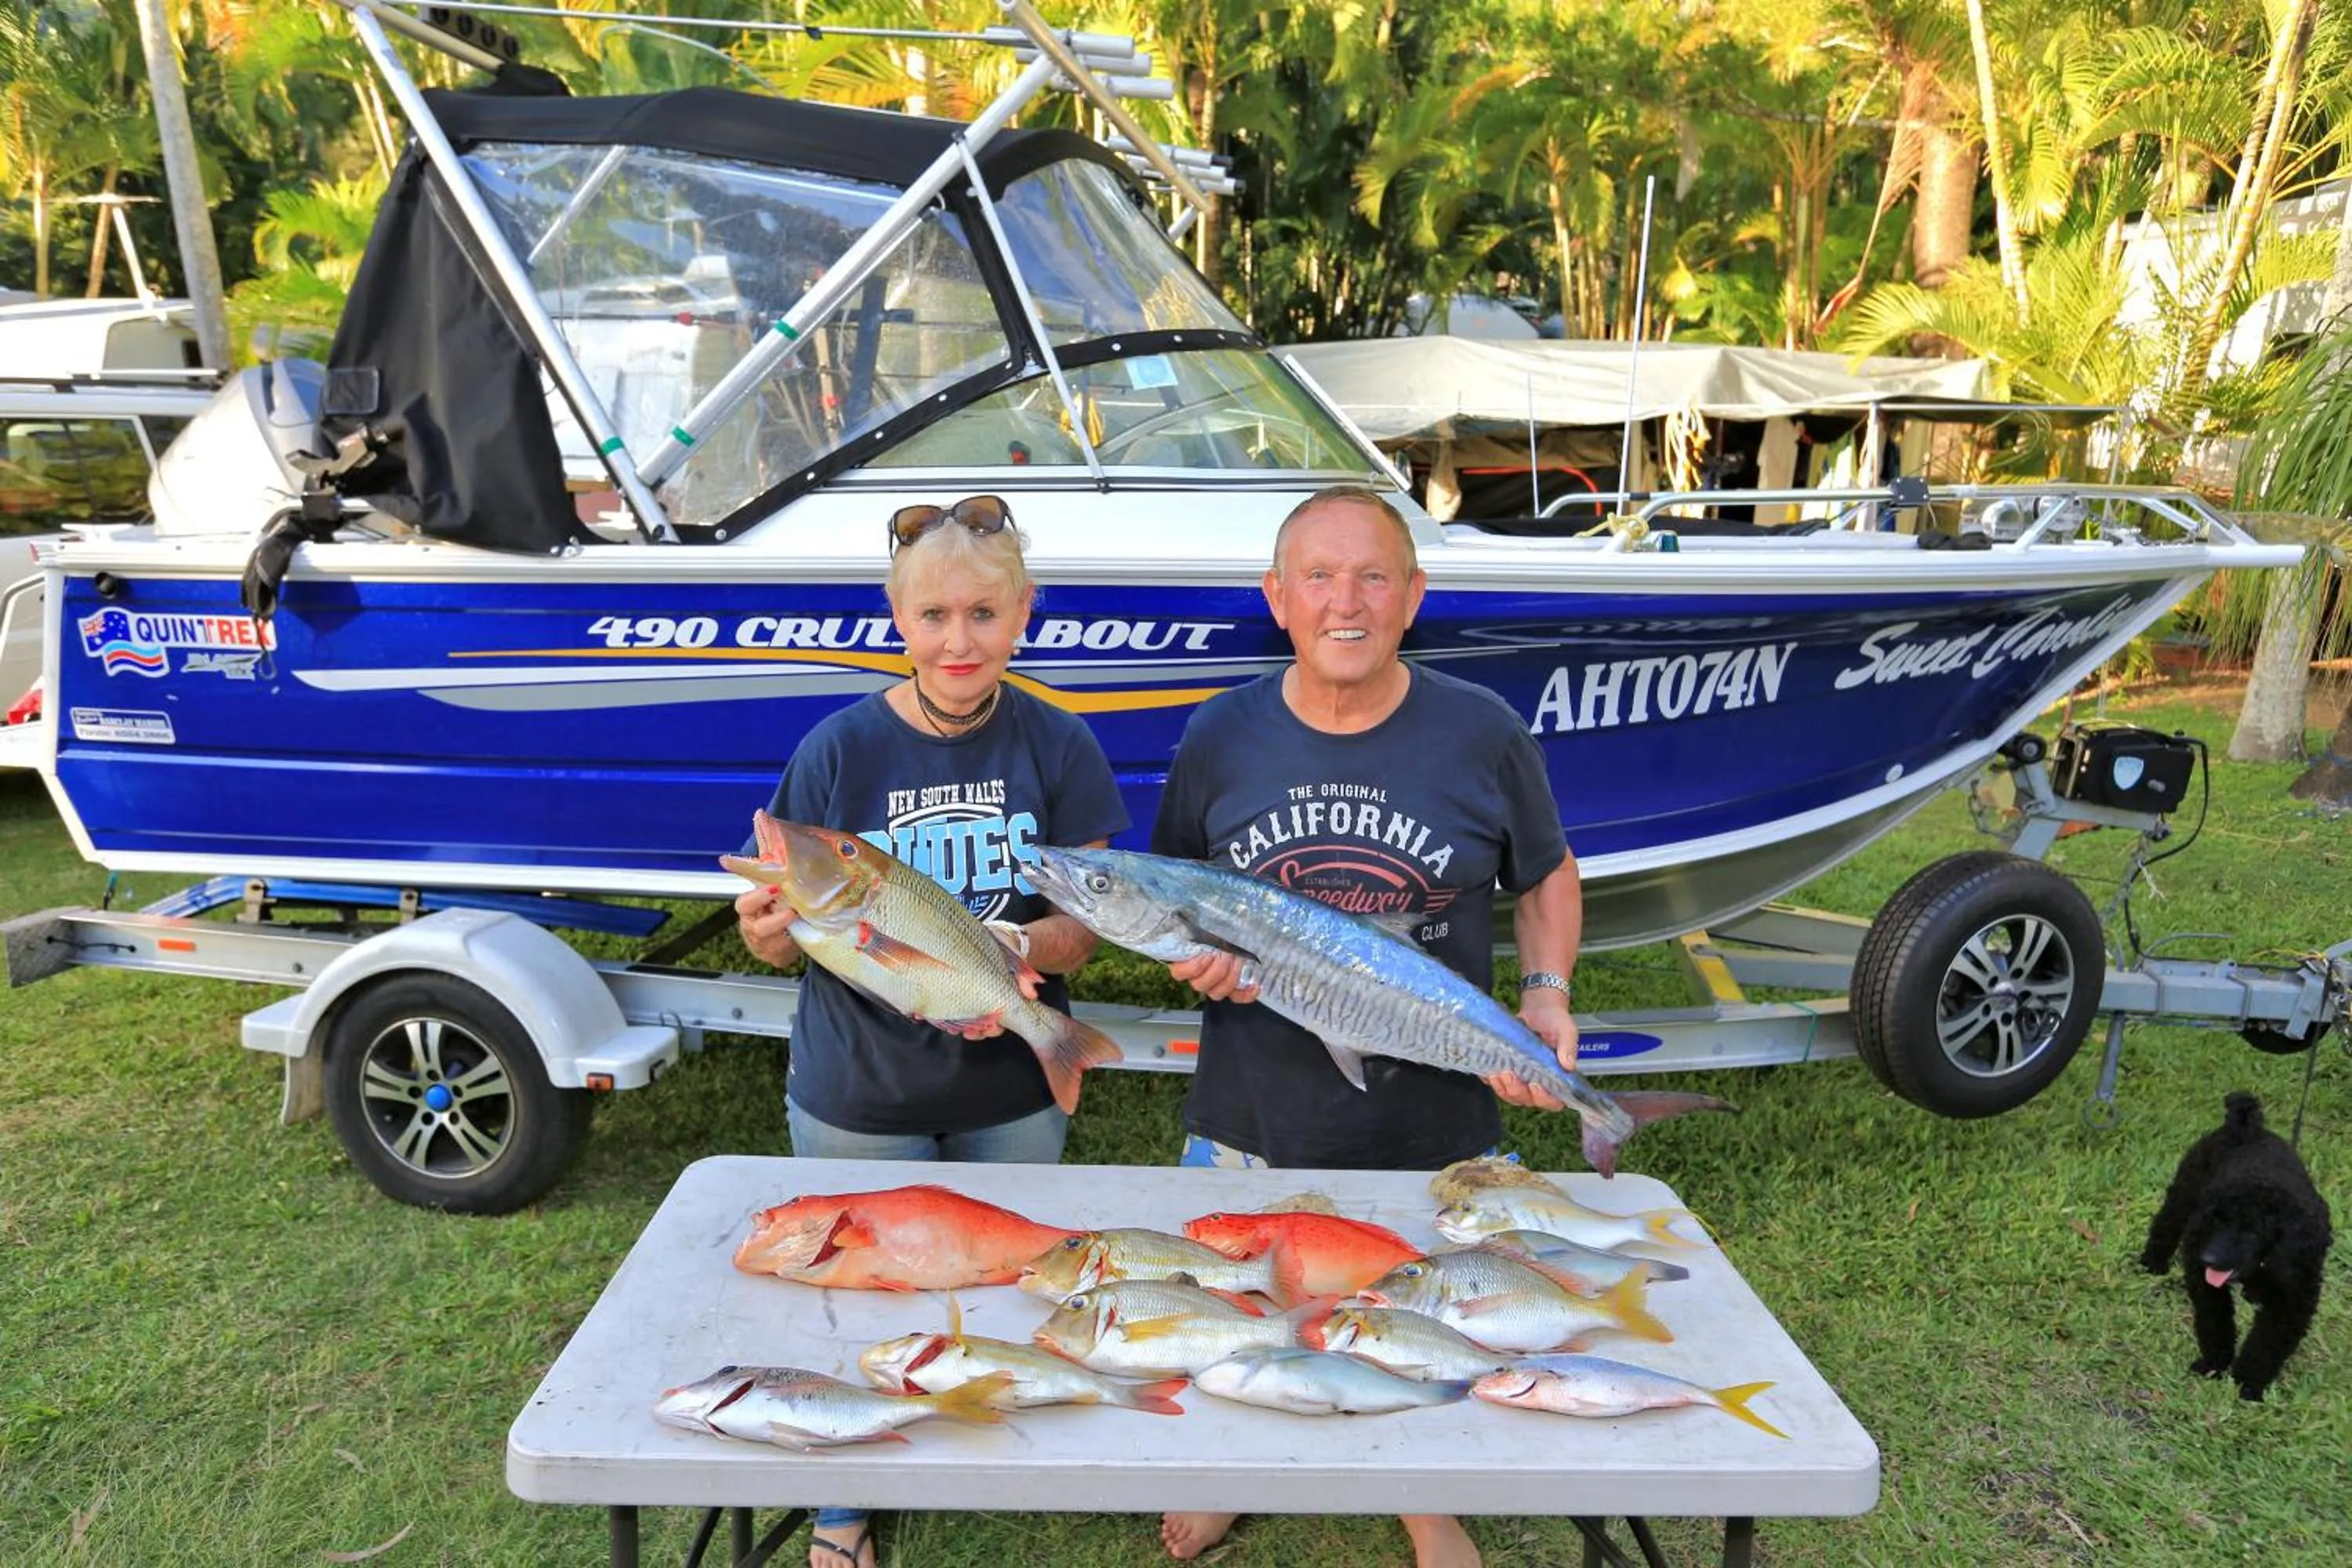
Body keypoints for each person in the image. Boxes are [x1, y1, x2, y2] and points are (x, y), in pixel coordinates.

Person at [1152, 485, 1584, 1568]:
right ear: (1278, 599)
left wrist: (1545, 992)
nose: (1347, 601)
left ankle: (1424, 1499)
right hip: (1252, 1108)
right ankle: (1231, 1467)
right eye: (1319, 577)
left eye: (1374, 576)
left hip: (1437, 1114)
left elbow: (1546, 873)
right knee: (1232, 1303)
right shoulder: (1220, 733)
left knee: (1422, 1313)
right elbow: (1175, 896)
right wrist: (1194, 963)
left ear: (1413, 596)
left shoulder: (1480, 731)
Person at [734, 494, 1128, 1568]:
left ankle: (990, 1419)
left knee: (1013, 1270)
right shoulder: (836, 750)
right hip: (859, 1092)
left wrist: (1026, 958)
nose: (960, 641)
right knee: (850, 1296)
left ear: (1026, 614)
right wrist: (770, 929)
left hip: (1011, 1087)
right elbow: (786, 945)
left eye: (985, 615)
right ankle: (846, 1501)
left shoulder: (1059, 743)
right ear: (896, 620)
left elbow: (1082, 928)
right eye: (935, 616)